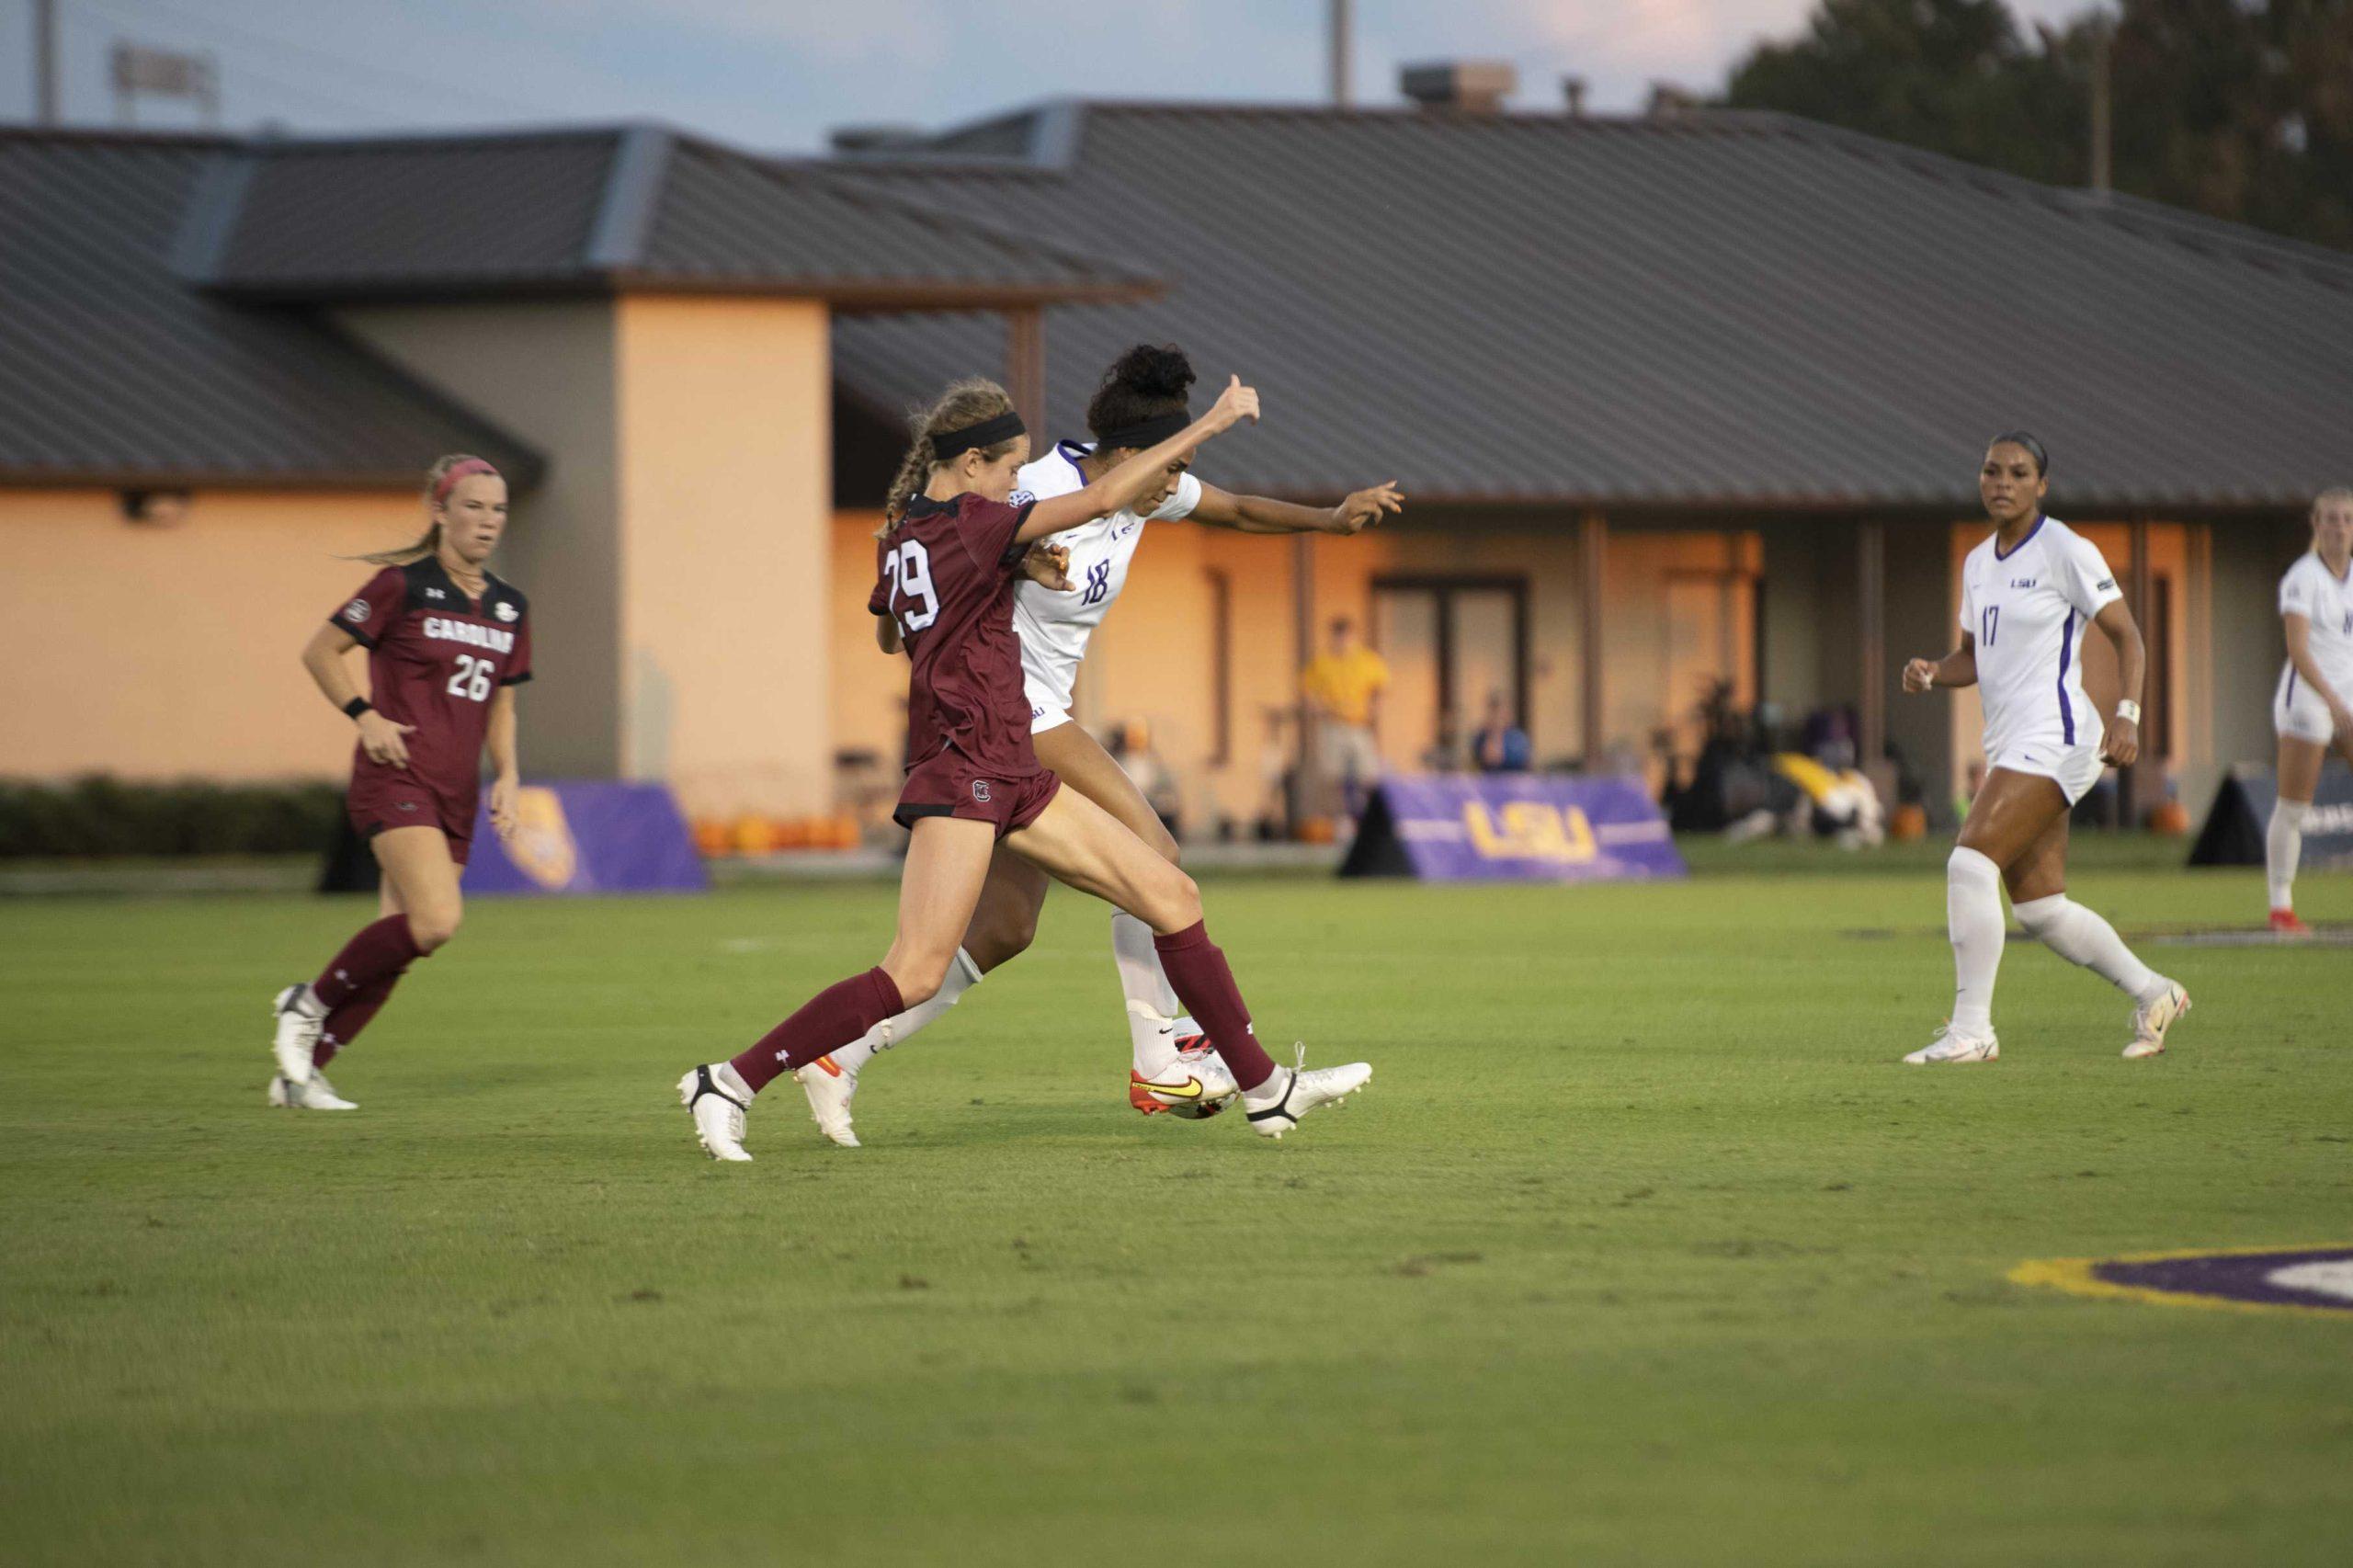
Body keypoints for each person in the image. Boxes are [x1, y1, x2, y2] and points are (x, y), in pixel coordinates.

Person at [677, 375, 1372, 1159]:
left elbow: (892, 634)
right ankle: (727, 1081)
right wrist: (1212, 421)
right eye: (1008, 469)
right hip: (970, 765)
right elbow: (1104, 496)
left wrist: (1004, 572)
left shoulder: (920, 533)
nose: (1018, 480)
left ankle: (1265, 1089)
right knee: (911, 970)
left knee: (1165, 891)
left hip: (1013, 763)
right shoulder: (980, 521)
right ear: (972, 465)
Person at [1898, 432, 2188, 1064]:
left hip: (2058, 736)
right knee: (2042, 909)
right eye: (1991, 470)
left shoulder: (2066, 549)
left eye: (2018, 473)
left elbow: (2130, 638)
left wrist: (2129, 716)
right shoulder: (1977, 563)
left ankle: (1973, 1031)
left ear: (2041, 486)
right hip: (2012, 743)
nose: (2002, 482)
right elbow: (1971, 658)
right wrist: (1930, 671)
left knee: (1969, 863)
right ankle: (2155, 990)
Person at [267, 455, 530, 1108]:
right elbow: (320, 651)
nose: (487, 520)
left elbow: (502, 701)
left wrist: (509, 776)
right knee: (438, 920)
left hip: (457, 792)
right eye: (473, 506)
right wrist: (365, 716)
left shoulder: (509, 605)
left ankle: (299, 1079)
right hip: (396, 776)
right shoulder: (400, 587)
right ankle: (309, 1002)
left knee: (400, 942)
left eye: (497, 509)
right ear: (440, 512)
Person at [2264, 488, 2353, 935]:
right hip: (2310, 697)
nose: (2339, 527)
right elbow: (2297, 648)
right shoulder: (2303, 576)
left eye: (2347, 519)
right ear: (2316, 525)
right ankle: (2281, 906)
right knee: (2294, 806)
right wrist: (2336, 703)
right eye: (2331, 519)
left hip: (2349, 694)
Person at [1301, 616, 1390, 814]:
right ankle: (1340, 819)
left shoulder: (1367, 660)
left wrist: (1373, 710)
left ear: (1353, 637)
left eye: (1346, 637)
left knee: (1367, 774)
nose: (1343, 642)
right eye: (1338, 637)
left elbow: (1380, 688)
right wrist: (1320, 707)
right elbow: (1309, 692)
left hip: (1359, 724)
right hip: (1333, 724)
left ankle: (1367, 816)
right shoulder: (1322, 662)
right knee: (1334, 776)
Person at [1468, 689, 1531, 773]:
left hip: (1512, 781)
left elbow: (1497, 759)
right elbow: (1485, 759)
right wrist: (1493, 733)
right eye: (1493, 712)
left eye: (1501, 712)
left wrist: (1497, 734)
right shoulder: (1481, 736)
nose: (1497, 717)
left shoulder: (1517, 738)